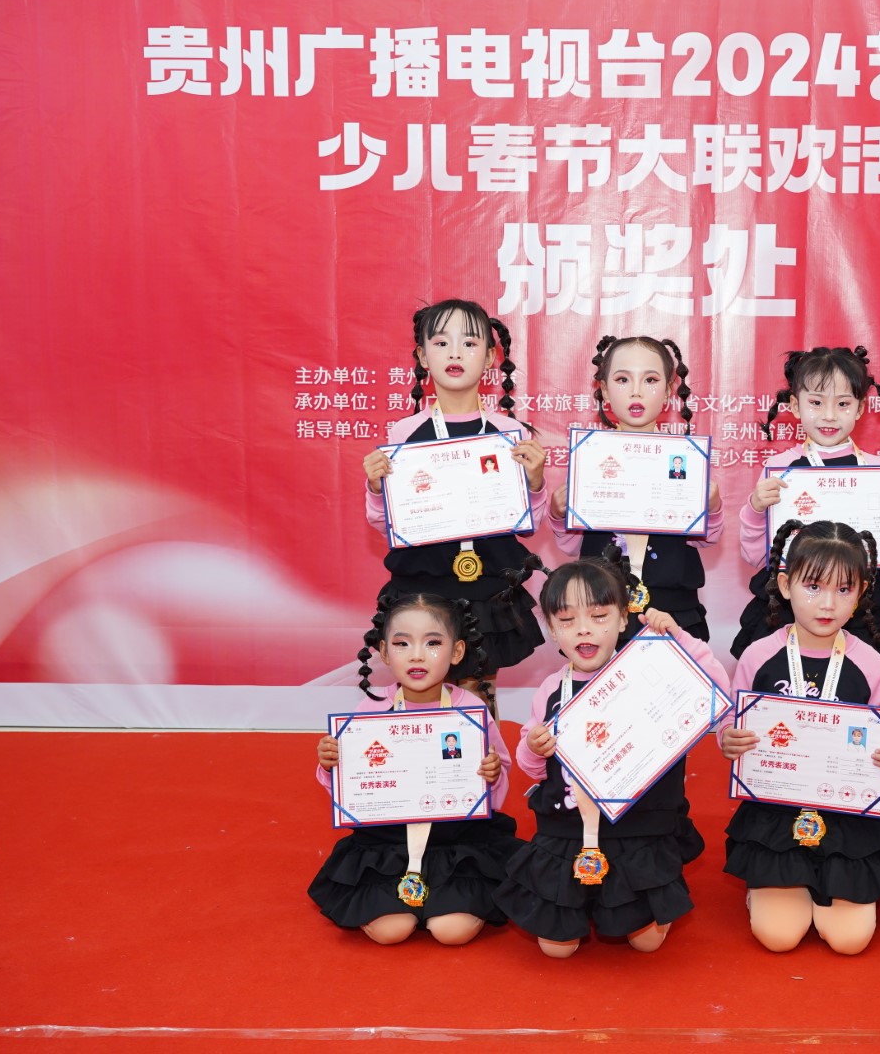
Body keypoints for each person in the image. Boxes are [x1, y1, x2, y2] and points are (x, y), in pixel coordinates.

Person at [492, 555, 731, 957]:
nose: (583, 629)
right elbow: (532, 770)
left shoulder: (646, 669)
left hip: (636, 830)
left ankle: (631, 899)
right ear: (551, 628)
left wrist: (680, 640)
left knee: (646, 941)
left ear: (623, 619)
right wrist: (533, 746)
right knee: (556, 948)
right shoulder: (551, 688)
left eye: (599, 616)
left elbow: (713, 690)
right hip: (568, 829)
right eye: (567, 620)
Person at [719, 520, 880, 955]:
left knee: (850, 940)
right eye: (813, 586)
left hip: (847, 815)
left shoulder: (871, 663)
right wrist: (728, 739)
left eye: (844, 590)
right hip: (776, 811)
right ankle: (766, 887)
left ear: (861, 593)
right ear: (785, 585)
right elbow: (733, 721)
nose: (827, 603)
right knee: (778, 937)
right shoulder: (759, 655)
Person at [361, 300, 549, 712]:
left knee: (480, 693)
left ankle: (485, 756)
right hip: (424, 582)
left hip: (487, 584)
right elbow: (383, 522)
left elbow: (528, 523)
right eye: (442, 342)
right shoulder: (404, 433)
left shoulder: (510, 432)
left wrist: (536, 482)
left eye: (469, 342)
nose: (455, 353)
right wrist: (376, 487)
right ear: (422, 356)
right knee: (424, 693)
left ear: (490, 358)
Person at [308, 594, 521, 945]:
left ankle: (446, 901)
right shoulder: (369, 710)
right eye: (402, 643)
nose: (417, 655)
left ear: (457, 651)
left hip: (456, 841)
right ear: (384, 652)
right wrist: (331, 764)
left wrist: (493, 773)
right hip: (387, 842)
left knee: (451, 931)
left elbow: (500, 778)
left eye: (433, 643)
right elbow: (351, 791)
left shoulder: (471, 709)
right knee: (390, 931)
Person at [732, 346, 880, 664]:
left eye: (843, 403)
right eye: (816, 403)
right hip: (790, 610)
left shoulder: (878, 473)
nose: (830, 415)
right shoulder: (780, 469)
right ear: (795, 405)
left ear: (860, 408)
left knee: (854, 687)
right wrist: (755, 509)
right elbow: (756, 556)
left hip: (856, 610)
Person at [549, 336, 722, 642]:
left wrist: (712, 507)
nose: (636, 391)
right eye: (622, 379)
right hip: (602, 606)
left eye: (651, 380)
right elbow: (571, 546)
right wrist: (558, 513)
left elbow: (707, 540)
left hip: (672, 607)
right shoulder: (591, 458)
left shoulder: (685, 459)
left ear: (668, 391)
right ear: (604, 390)